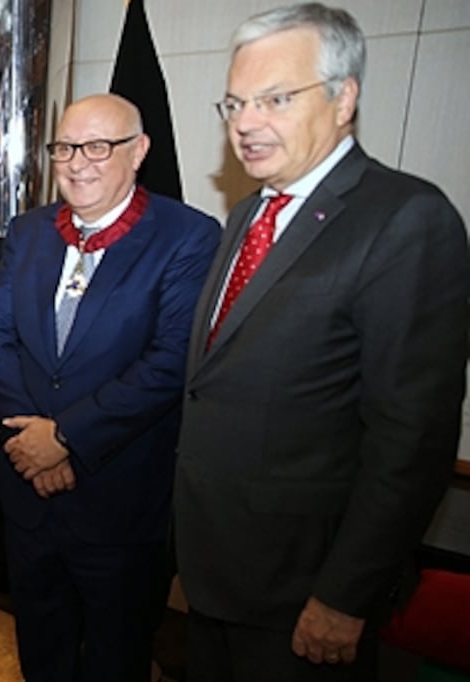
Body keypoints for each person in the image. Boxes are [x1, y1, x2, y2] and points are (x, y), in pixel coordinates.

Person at [174, 4, 470, 680]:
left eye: (275, 98)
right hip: (216, 571)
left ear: (345, 99)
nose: (245, 122)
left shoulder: (405, 219)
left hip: (304, 593)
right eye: (235, 103)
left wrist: (345, 594)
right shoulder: (249, 212)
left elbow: (411, 440)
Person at [0, 94, 220, 681]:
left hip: (118, 498)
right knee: (40, 649)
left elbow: (169, 362)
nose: (77, 162)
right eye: (64, 147)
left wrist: (67, 438)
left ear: (139, 151)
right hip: (27, 494)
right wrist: (33, 446)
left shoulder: (187, 236)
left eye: (97, 147)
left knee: (117, 657)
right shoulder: (30, 230)